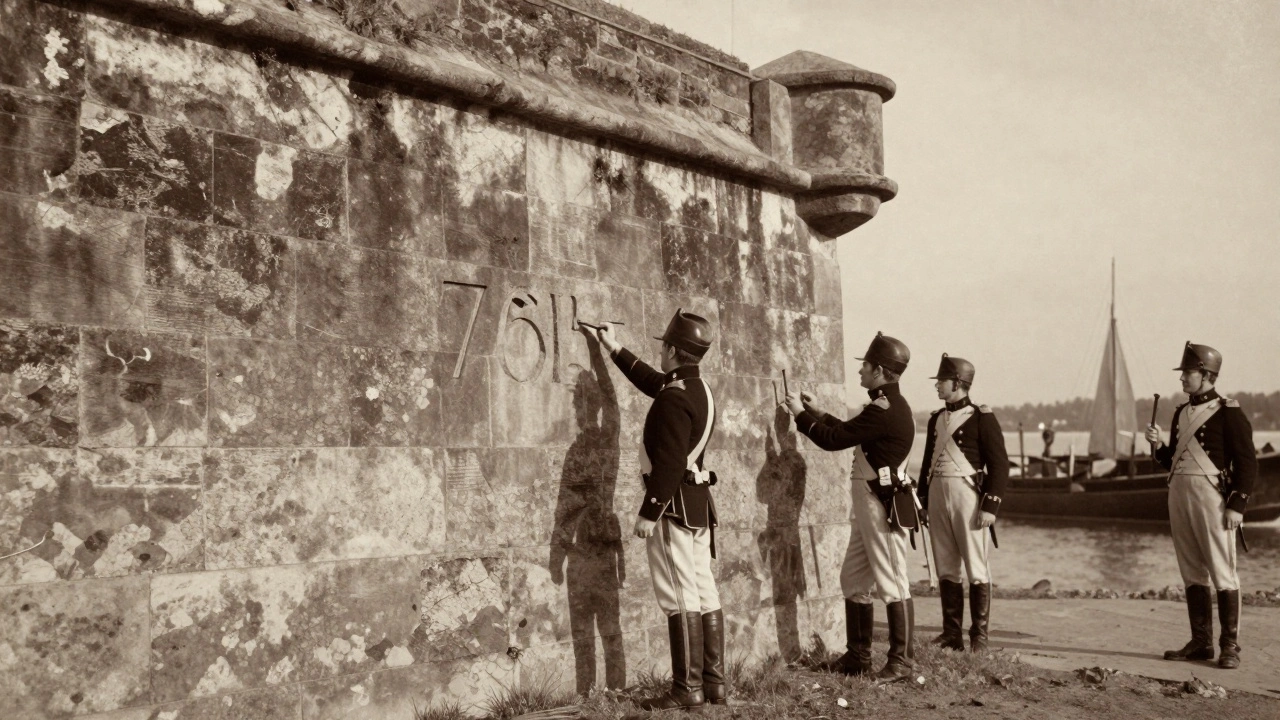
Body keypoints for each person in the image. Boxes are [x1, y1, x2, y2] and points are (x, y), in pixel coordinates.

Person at [594, 310, 725, 709]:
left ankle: (687, 689)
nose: (661, 354)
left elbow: (668, 462)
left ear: (671, 349)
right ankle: (714, 685)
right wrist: (615, 348)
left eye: (663, 347)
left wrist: (649, 512)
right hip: (697, 505)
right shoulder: (695, 388)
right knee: (703, 590)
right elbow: (655, 381)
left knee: (678, 596)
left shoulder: (674, 398)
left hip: (672, 507)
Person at [782, 332, 917, 680]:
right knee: (854, 579)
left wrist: (798, 414)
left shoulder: (885, 409)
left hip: (879, 505)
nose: (861, 371)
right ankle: (858, 657)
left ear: (881, 371)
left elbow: (833, 440)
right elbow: (847, 429)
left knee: (894, 582)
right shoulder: (884, 407)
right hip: (869, 504)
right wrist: (815, 411)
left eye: (866, 366)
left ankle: (901, 662)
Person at [1146, 342, 1257, 669]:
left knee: (1223, 571)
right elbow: (1171, 461)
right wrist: (1158, 446)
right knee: (1192, 570)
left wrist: (1237, 505)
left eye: (1188, 373)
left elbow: (1248, 464)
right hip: (1179, 495)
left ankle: (1230, 646)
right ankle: (1200, 642)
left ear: (1206, 375)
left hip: (1212, 499)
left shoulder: (1229, 411)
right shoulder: (1181, 412)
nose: (1182, 379)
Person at [916, 354, 1009, 653]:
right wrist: (923, 502)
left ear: (958, 383)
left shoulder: (982, 417)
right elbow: (928, 463)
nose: (937, 387)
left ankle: (979, 636)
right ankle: (951, 634)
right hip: (938, 497)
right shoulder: (935, 419)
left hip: (968, 498)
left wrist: (990, 506)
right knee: (945, 566)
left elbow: (1000, 465)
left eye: (941, 381)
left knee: (976, 567)